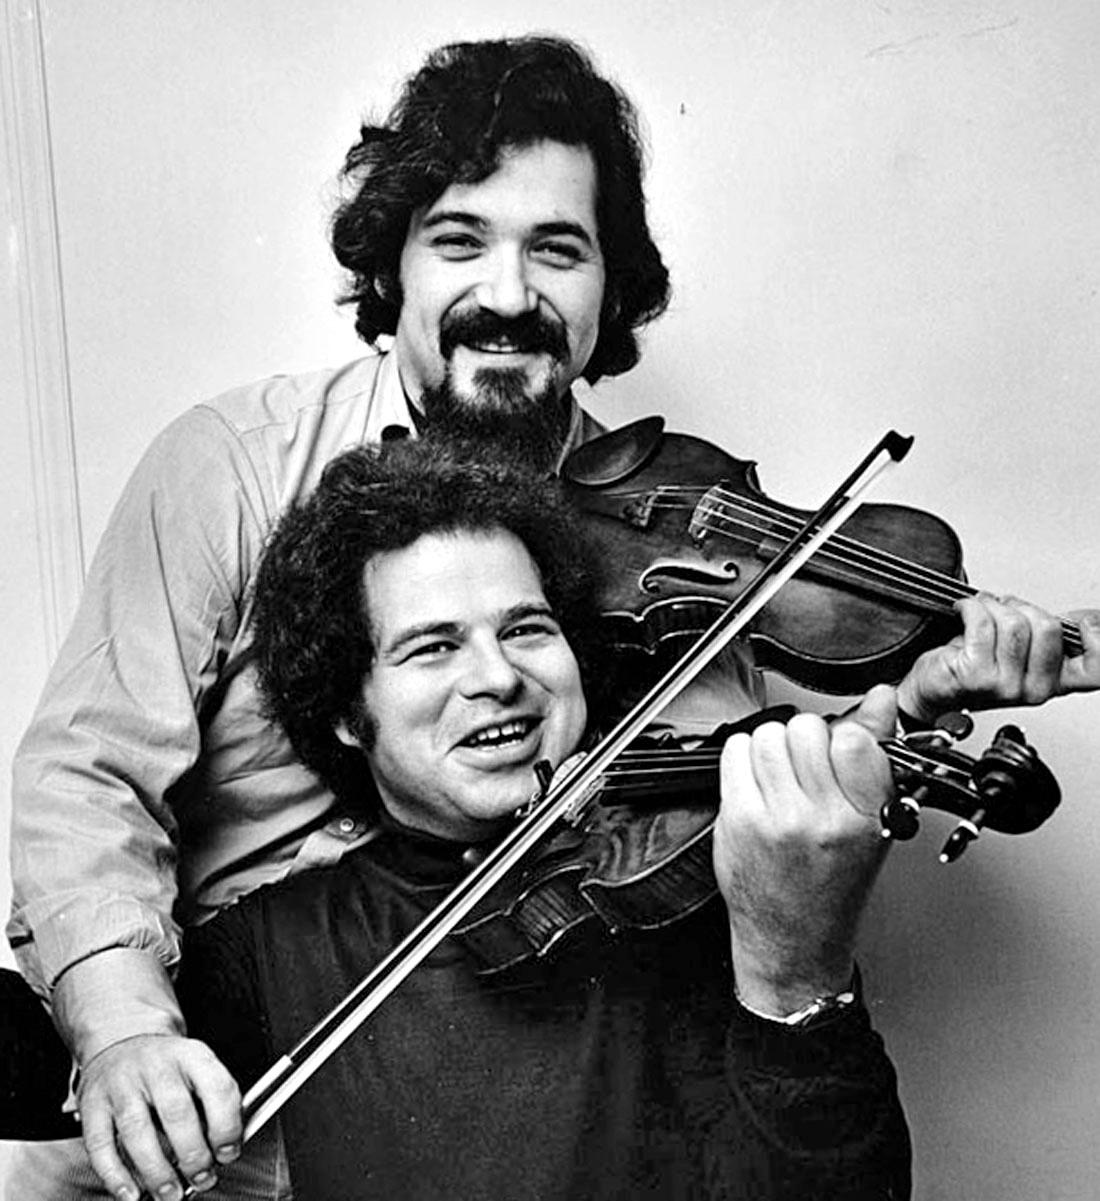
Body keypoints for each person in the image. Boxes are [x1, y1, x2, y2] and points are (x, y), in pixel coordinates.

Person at [6, 31, 1099, 1201]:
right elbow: (86, 773)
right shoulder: (228, 467)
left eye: (558, 251)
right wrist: (122, 1032)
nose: (509, 295)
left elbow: (711, 785)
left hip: (504, 1080)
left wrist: (904, 713)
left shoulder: (677, 531)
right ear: (393, 274)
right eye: (459, 241)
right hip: (207, 1073)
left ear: (608, 287)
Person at [173, 436, 911, 1199]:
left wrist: (795, 973)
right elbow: (49, 1084)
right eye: (432, 648)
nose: (499, 677)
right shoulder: (278, 943)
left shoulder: (719, 891)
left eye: (527, 628)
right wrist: (116, 1042)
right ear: (346, 714)